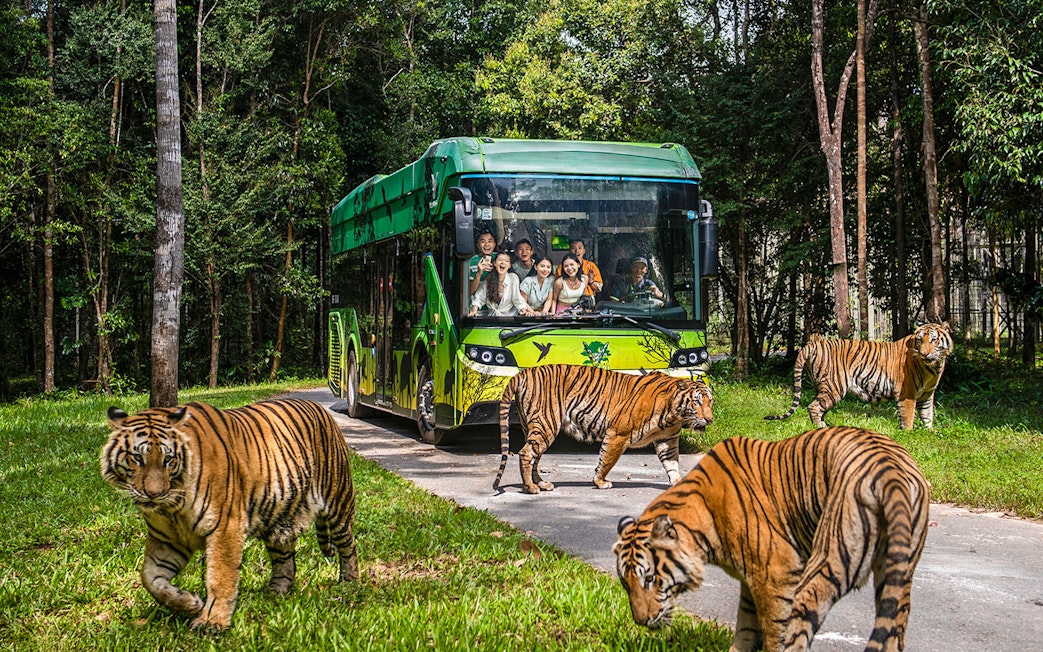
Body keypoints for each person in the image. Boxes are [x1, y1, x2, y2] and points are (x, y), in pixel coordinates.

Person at [468, 231, 497, 296]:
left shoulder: (499, 258)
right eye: (483, 242)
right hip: (477, 303)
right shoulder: (472, 261)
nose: (486, 244)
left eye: (489, 241)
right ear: (478, 245)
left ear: (494, 244)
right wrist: (479, 273)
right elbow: (470, 291)